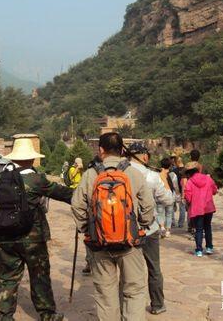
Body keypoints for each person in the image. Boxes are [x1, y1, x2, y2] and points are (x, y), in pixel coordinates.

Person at [71, 132, 155, 321]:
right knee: (133, 291)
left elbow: (77, 205)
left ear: (101, 150)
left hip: (99, 245)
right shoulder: (133, 172)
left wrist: (89, 229)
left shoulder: (91, 174)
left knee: (106, 294)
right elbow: (148, 205)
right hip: (130, 243)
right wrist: (141, 226)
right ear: (121, 150)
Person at [0, 138, 73, 321]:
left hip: (4, 237)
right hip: (33, 237)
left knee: (7, 277)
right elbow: (63, 194)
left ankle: (4, 316)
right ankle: (47, 314)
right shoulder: (37, 180)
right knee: (39, 275)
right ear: (31, 159)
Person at [127, 142, 173, 315]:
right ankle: (157, 304)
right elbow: (168, 200)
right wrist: (163, 179)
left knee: (128, 270)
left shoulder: (120, 173)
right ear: (144, 156)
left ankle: (130, 306)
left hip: (127, 230)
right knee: (154, 268)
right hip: (149, 229)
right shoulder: (152, 176)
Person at [183, 161, 218, 257]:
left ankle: (199, 250)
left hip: (197, 208)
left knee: (198, 229)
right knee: (208, 227)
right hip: (208, 207)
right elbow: (214, 190)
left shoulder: (190, 182)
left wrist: (188, 203)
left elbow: (188, 197)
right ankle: (209, 247)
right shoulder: (208, 179)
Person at [159, 157, 180, 237]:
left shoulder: (159, 174)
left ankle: (162, 227)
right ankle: (168, 231)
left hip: (160, 196)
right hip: (170, 196)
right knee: (169, 214)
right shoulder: (173, 174)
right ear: (170, 166)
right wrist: (178, 195)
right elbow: (175, 186)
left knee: (160, 213)